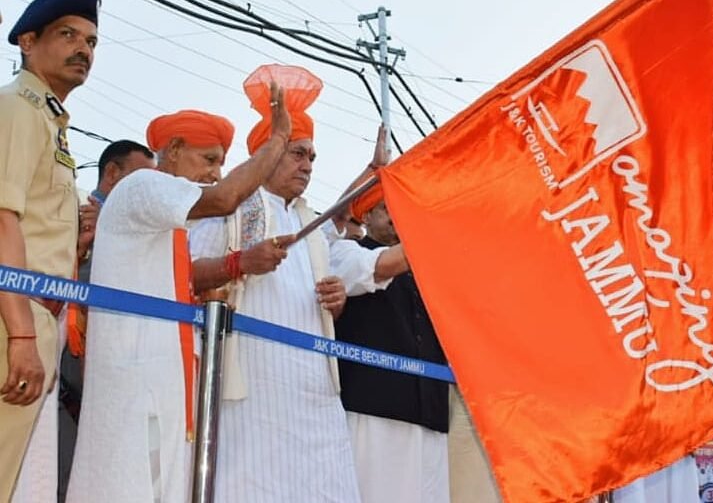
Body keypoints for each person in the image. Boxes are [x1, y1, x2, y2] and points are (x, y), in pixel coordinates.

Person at [190, 68, 408, 503]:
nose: (308, 165)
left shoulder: (307, 221)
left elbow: (337, 223)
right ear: (266, 154)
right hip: (253, 391)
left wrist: (338, 301)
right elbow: (187, 273)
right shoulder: (229, 208)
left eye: (312, 157)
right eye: (296, 154)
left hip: (314, 394)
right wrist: (239, 262)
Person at [67, 96, 292, 503]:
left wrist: (231, 269)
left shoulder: (163, 213)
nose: (215, 173)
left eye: (220, 163)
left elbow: (181, 276)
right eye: (208, 159)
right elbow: (225, 199)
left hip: (163, 377)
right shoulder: (144, 185)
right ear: (171, 151)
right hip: (137, 380)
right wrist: (276, 141)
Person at [0, 0, 100, 502]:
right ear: (27, 41)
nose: (83, 48)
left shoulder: (51, 121)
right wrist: (20, 337)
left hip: (37, 315)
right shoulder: (19, 107)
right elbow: (1, 219)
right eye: (68, 35)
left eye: (90, 41)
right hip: (14, 317)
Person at [335, 184, 449, 503]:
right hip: (374, 414)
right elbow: (380, 268)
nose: (397, 217)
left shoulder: (430, 270)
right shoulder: (346, 252)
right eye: (388, 208)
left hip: (430, 415)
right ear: (367, 215)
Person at [58, 139, 155, 502]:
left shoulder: (134, 232)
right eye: (139, 182)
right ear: (112, 175)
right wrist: (81, 245)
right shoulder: (72, 216)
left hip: (109, 388)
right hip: (63, 382)